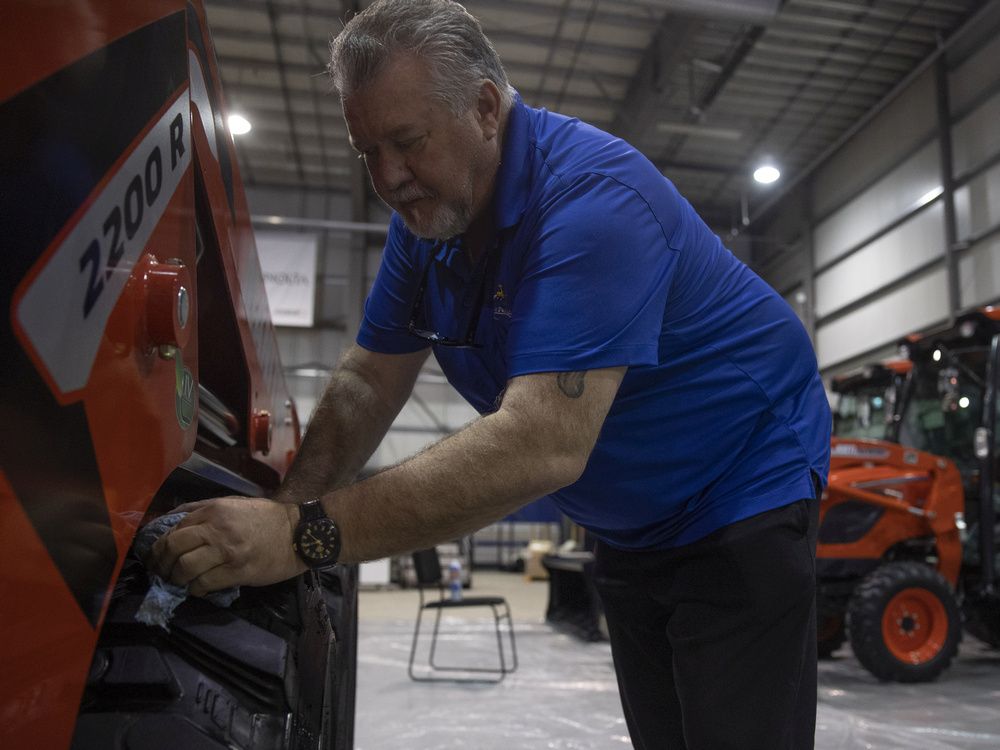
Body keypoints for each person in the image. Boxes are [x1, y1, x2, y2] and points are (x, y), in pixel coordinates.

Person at [151, 1, 832, 747]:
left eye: (406, 142)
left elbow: (541, 442)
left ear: (483, 108)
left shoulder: (594, 205)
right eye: (366, 152)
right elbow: (368, 381)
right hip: (633, 526)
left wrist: (303, 536)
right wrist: (288, 505)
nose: (389, 178)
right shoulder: (432, 221)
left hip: (741, 492)